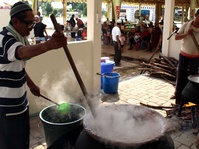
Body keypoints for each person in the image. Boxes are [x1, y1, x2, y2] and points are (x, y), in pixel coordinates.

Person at [0, 2, 67, 149]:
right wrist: (49, 45)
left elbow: (18, 66)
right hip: (8, 108)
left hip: (21, 103)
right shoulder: (5, 38)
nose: (31, 28)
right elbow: (21, 52)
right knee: (11, 144)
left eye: (33, 23)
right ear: (16, 21)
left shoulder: (19, 37)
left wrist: (30, 85)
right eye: (29, 24)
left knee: (23, 141)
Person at [172, 9, 199, 105]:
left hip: (196, 58)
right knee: (181, 76)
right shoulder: (186, 25)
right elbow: (176, 37)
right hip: (184, 56)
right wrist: (187, 33)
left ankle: (188, 99)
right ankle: (179, 98)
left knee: (192, 78)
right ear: (195, 15)